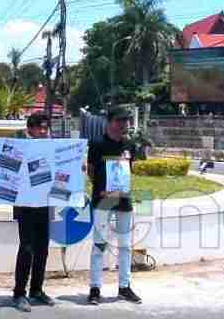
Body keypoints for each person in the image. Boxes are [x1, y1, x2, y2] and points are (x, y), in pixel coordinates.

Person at [86, 106, 142, 306]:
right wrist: (102, 188)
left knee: (125, 245)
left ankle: (124, 287)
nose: (123, 124)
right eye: (119, 120)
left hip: (124, 201)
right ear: (109, 122)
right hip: (103, 200)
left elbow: (129, 170)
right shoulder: (97, 144)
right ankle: (95, 288)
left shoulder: (130, 145)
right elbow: (91, 171)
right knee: (99, 245)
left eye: (126, 120)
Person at [11, 112, 56, 313]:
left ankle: (36, 290)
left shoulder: (53, 148)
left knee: (42, 250)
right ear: (30, 129)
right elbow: (6, 170)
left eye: (46, 128)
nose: (44, 131)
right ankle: (19, 293)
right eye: (40, 128)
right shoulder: (19, 147)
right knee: (27, 249)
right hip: (25, 205)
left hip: (45, 204)